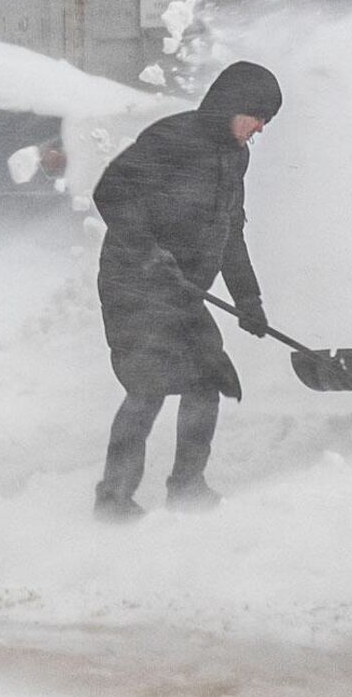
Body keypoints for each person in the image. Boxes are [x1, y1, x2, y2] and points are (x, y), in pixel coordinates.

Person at [91, 61, 282, 521]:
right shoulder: (171, 140)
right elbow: (111, 192)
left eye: (265, 123)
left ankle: (187, 486)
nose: (259, 129)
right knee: (148, 384)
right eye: (257, 116)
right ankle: (113, 500)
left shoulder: (235, 156)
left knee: (206, 378)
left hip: (183, 290)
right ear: (232, 105)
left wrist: (248, 299)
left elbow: (230, 230)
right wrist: (147, 252)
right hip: (133, 282)